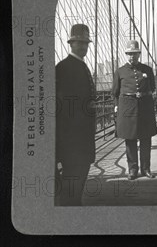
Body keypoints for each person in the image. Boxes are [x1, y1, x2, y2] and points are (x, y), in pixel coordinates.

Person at [55, 24, 96, 205]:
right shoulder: (63, 68)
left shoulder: (80, 65)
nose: (83, 47)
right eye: (79, 43)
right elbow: (60, 109)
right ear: (70, 44)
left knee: (77, 185)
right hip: (72, 141)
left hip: (83, 138)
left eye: (86, 43)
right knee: (72, 188)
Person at [112, 40, 157, 180]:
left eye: (135, 54)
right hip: (128, 110)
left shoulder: (147, 70)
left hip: (145, 108)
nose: (132, 56)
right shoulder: (120, 72)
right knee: (130, 140)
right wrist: (116, 106)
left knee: (146, 140)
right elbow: (115, 92)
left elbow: (153, 87)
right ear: (126, 55)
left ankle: (146, 169)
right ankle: (132, 170)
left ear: (139, 54)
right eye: (129, 54)